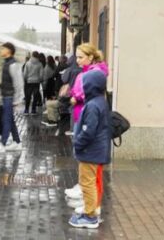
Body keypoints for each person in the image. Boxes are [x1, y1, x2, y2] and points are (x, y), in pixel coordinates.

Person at [65, 43, 109, 216]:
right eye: (76, 56)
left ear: (91, 57)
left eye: (81, 56)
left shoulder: (94, 76)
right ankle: (90, 205)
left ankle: (92, 211)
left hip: (92, 143)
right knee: (89, 176)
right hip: (86, 127)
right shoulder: (92, 81)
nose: (77, 60)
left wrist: (78, 142)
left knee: (92, 178)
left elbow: (90, 131)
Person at [0, 42, 24, 154]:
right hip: (6, 96)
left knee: (6, 120)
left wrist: (18, 100)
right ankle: (17, 143)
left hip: (10, 97)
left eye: (3, 49)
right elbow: (5, 82)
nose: (1, 51)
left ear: (8, 50)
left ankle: (2, 144)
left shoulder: (13, 65)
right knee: (10, 120)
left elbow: (18, 83)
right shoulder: (6, 63)